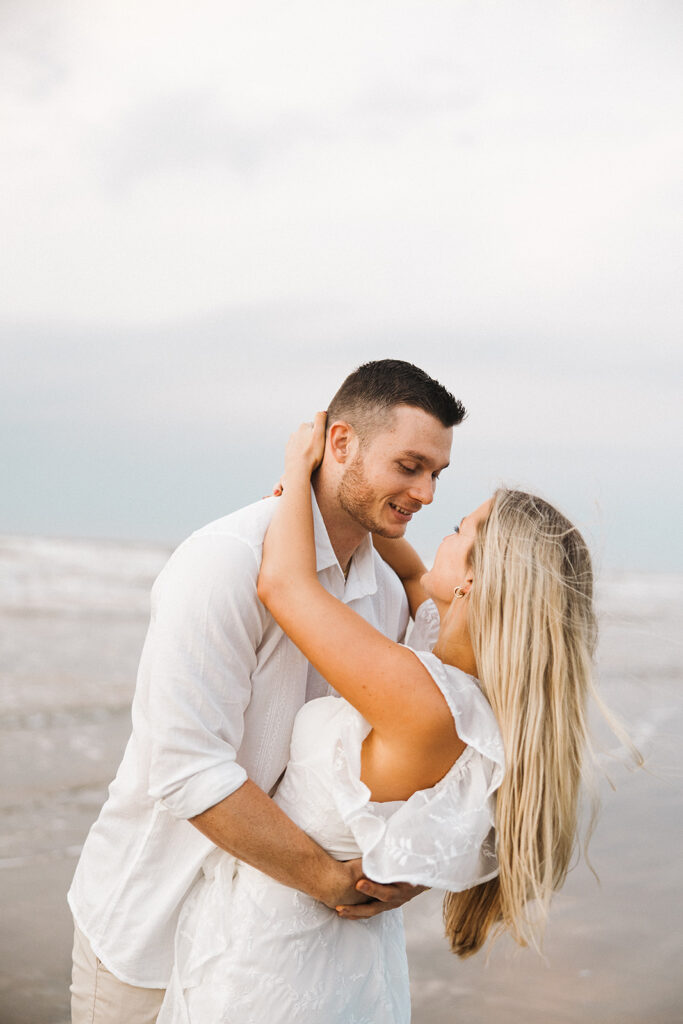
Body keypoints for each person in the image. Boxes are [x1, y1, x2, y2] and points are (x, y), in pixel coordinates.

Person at [156, 413, 602, 1024]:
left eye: (457, 528)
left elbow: (285, 586)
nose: (436, 523)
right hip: (346, 952)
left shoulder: (420, 697)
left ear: (474, 578)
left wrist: (299, 468)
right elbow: (416, 573)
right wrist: (359, 493)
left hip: (274, 956)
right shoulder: (467, 684)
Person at [67, 360, 465, 1024]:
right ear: (339, 444)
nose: (425, 493)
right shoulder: (223, 561)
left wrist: (403, 869)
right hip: (153, 926)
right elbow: (186, 769)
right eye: (409, 466)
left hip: (270, 949)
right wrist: (331, 882)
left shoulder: (387, 594)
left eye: (436, 475)